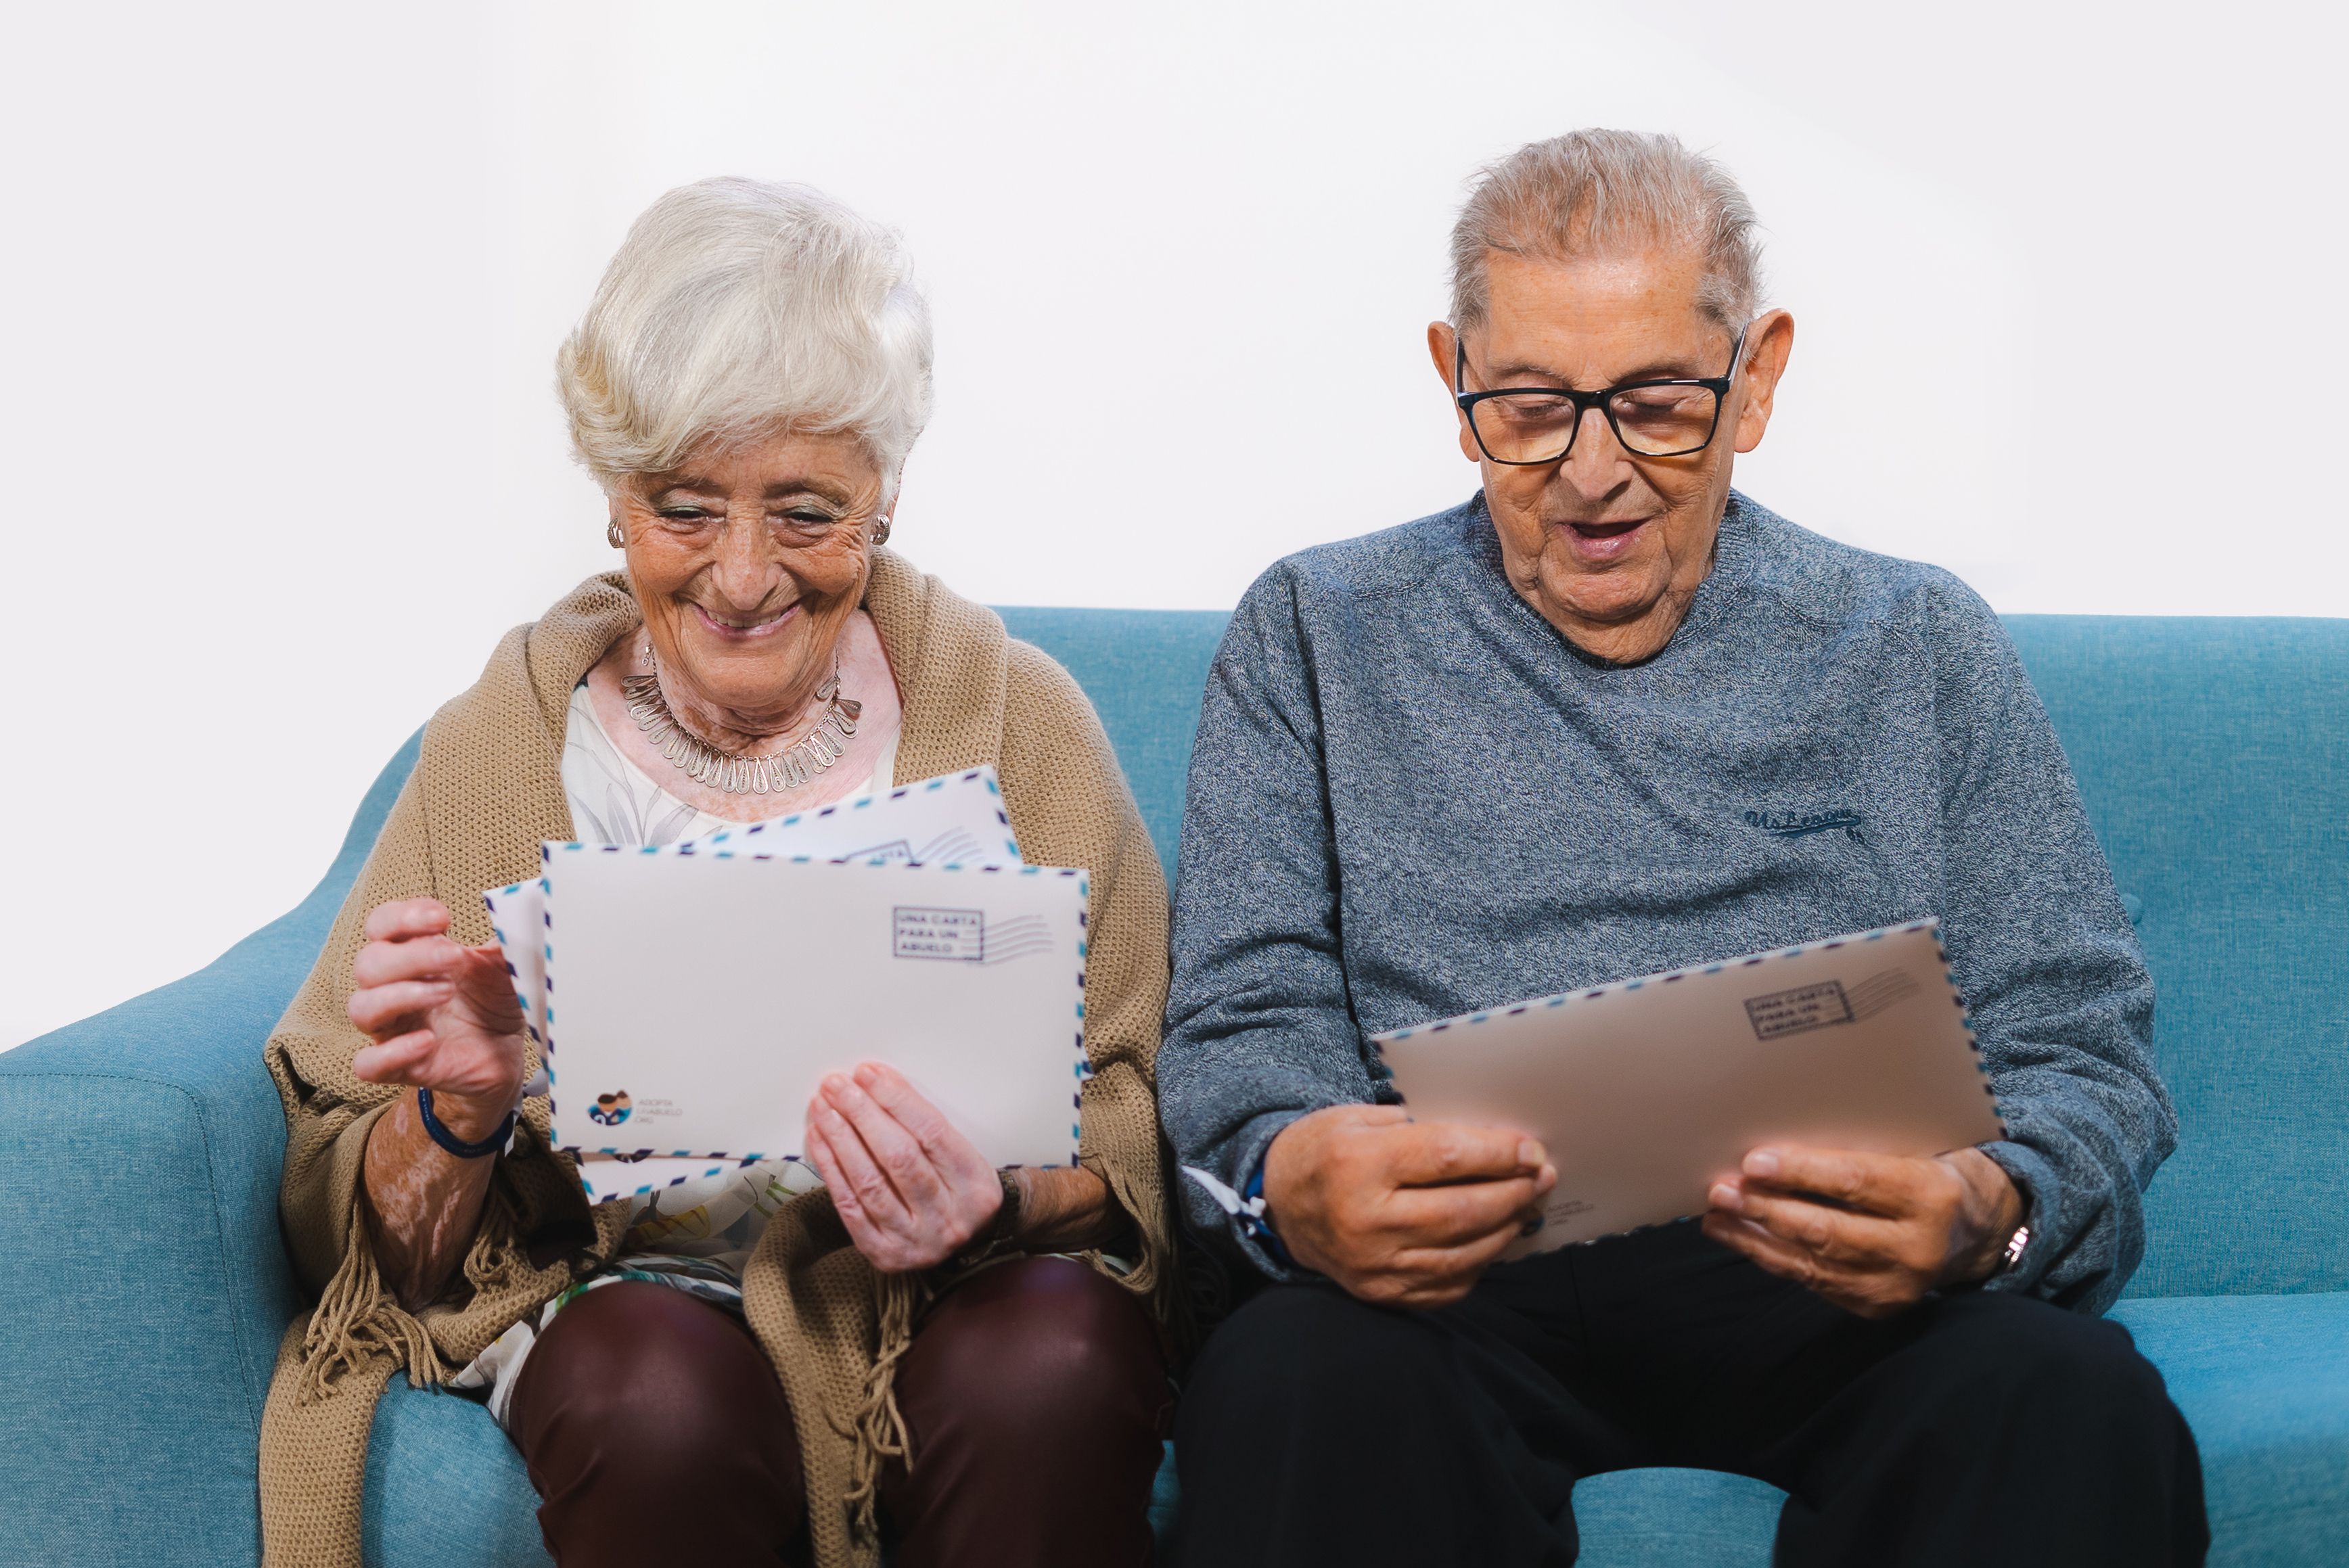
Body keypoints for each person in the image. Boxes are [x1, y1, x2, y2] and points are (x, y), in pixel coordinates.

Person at [1157, 131, 2207, 1567]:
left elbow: (2078, 1047)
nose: (1592, 476)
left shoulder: (1912, 642)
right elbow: (1240, 1023)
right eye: (1527, 408)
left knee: (2068, 1402)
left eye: (1655, 404)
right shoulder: (1313, 631)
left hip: (1836, 1290)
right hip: (1449, 1293)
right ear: (1452, 384)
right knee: (1289, 1380)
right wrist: (1287, 1174)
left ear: (1756, 376)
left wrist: (1988, 1207)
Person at [259, 179, 1174, 1568]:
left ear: (884, 497)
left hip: (952, 1294)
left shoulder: (1020, 722)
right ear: (613, 496)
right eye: (685, 508)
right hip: (624, 1300)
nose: (742, 579)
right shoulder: (506, 743)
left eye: (805, 513)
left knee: (1049, 1354)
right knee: (647, 1384)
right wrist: (457, 1110)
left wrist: (999, 1199)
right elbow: (371, 1250)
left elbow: (1138, 1117)